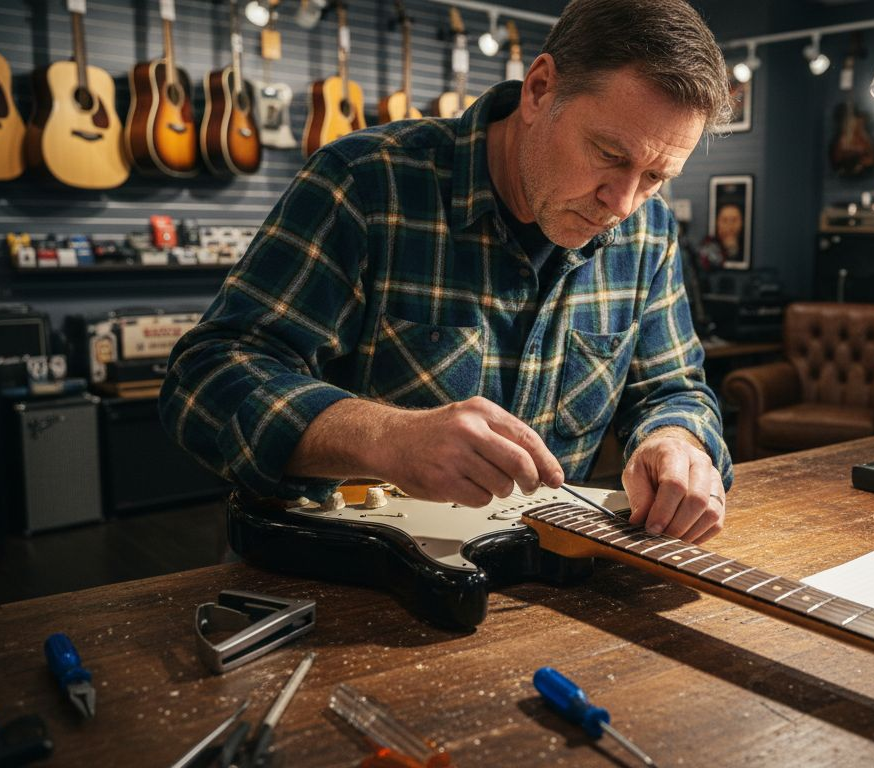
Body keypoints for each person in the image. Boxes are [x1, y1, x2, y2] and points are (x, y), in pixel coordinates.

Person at [160, 0, 734, 544]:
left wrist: (675, 439)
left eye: (657, 176)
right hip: (338, 577)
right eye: (610, 154)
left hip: (539, 583)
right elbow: (203, 379)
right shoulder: (365, 182)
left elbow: (673, 389)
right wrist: (387, 439)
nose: (623, 203)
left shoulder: (647, 229)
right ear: (539, 90)